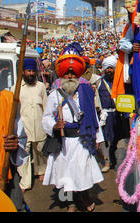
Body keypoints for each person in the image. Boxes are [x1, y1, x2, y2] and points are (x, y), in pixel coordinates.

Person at [42, 49, 104, 212]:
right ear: (62, 76)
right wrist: (54, 126)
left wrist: (97, 139)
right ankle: (71, 203)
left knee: (81, 171)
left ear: (77, 76)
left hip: (81, 140)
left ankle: (84, 196)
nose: (70, 77)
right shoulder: (54, 95)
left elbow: (93, 119)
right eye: (67, 75)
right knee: (66, 173)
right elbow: (46, 118)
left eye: (73, 74)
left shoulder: (86, 93)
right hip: (63, 142)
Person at [0, 49, 29, 211]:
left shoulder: (6, 101)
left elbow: (21, 136)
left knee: (14, 206)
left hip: (2, 169)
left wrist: (15, 144)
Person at [11, 58, 47, 193]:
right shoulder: (17, 87)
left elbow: (46, 106)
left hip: (39, 125)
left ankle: (40, 171)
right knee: (24, 153)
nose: (31, 73)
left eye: (33, 71)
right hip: (23, 127)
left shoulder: (41, 87)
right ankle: (25, 182)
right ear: (23, 72)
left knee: (39, 151)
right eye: (28, 71)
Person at [95, 55, 129, 174]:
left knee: (119, 138)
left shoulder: (120, 81)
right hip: (105, 115)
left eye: (111, 68)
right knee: (105, 139)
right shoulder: (98, 82)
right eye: (107, 68)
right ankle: (107, 161)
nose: (109, 70)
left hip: (118, 114)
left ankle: (119, 162)